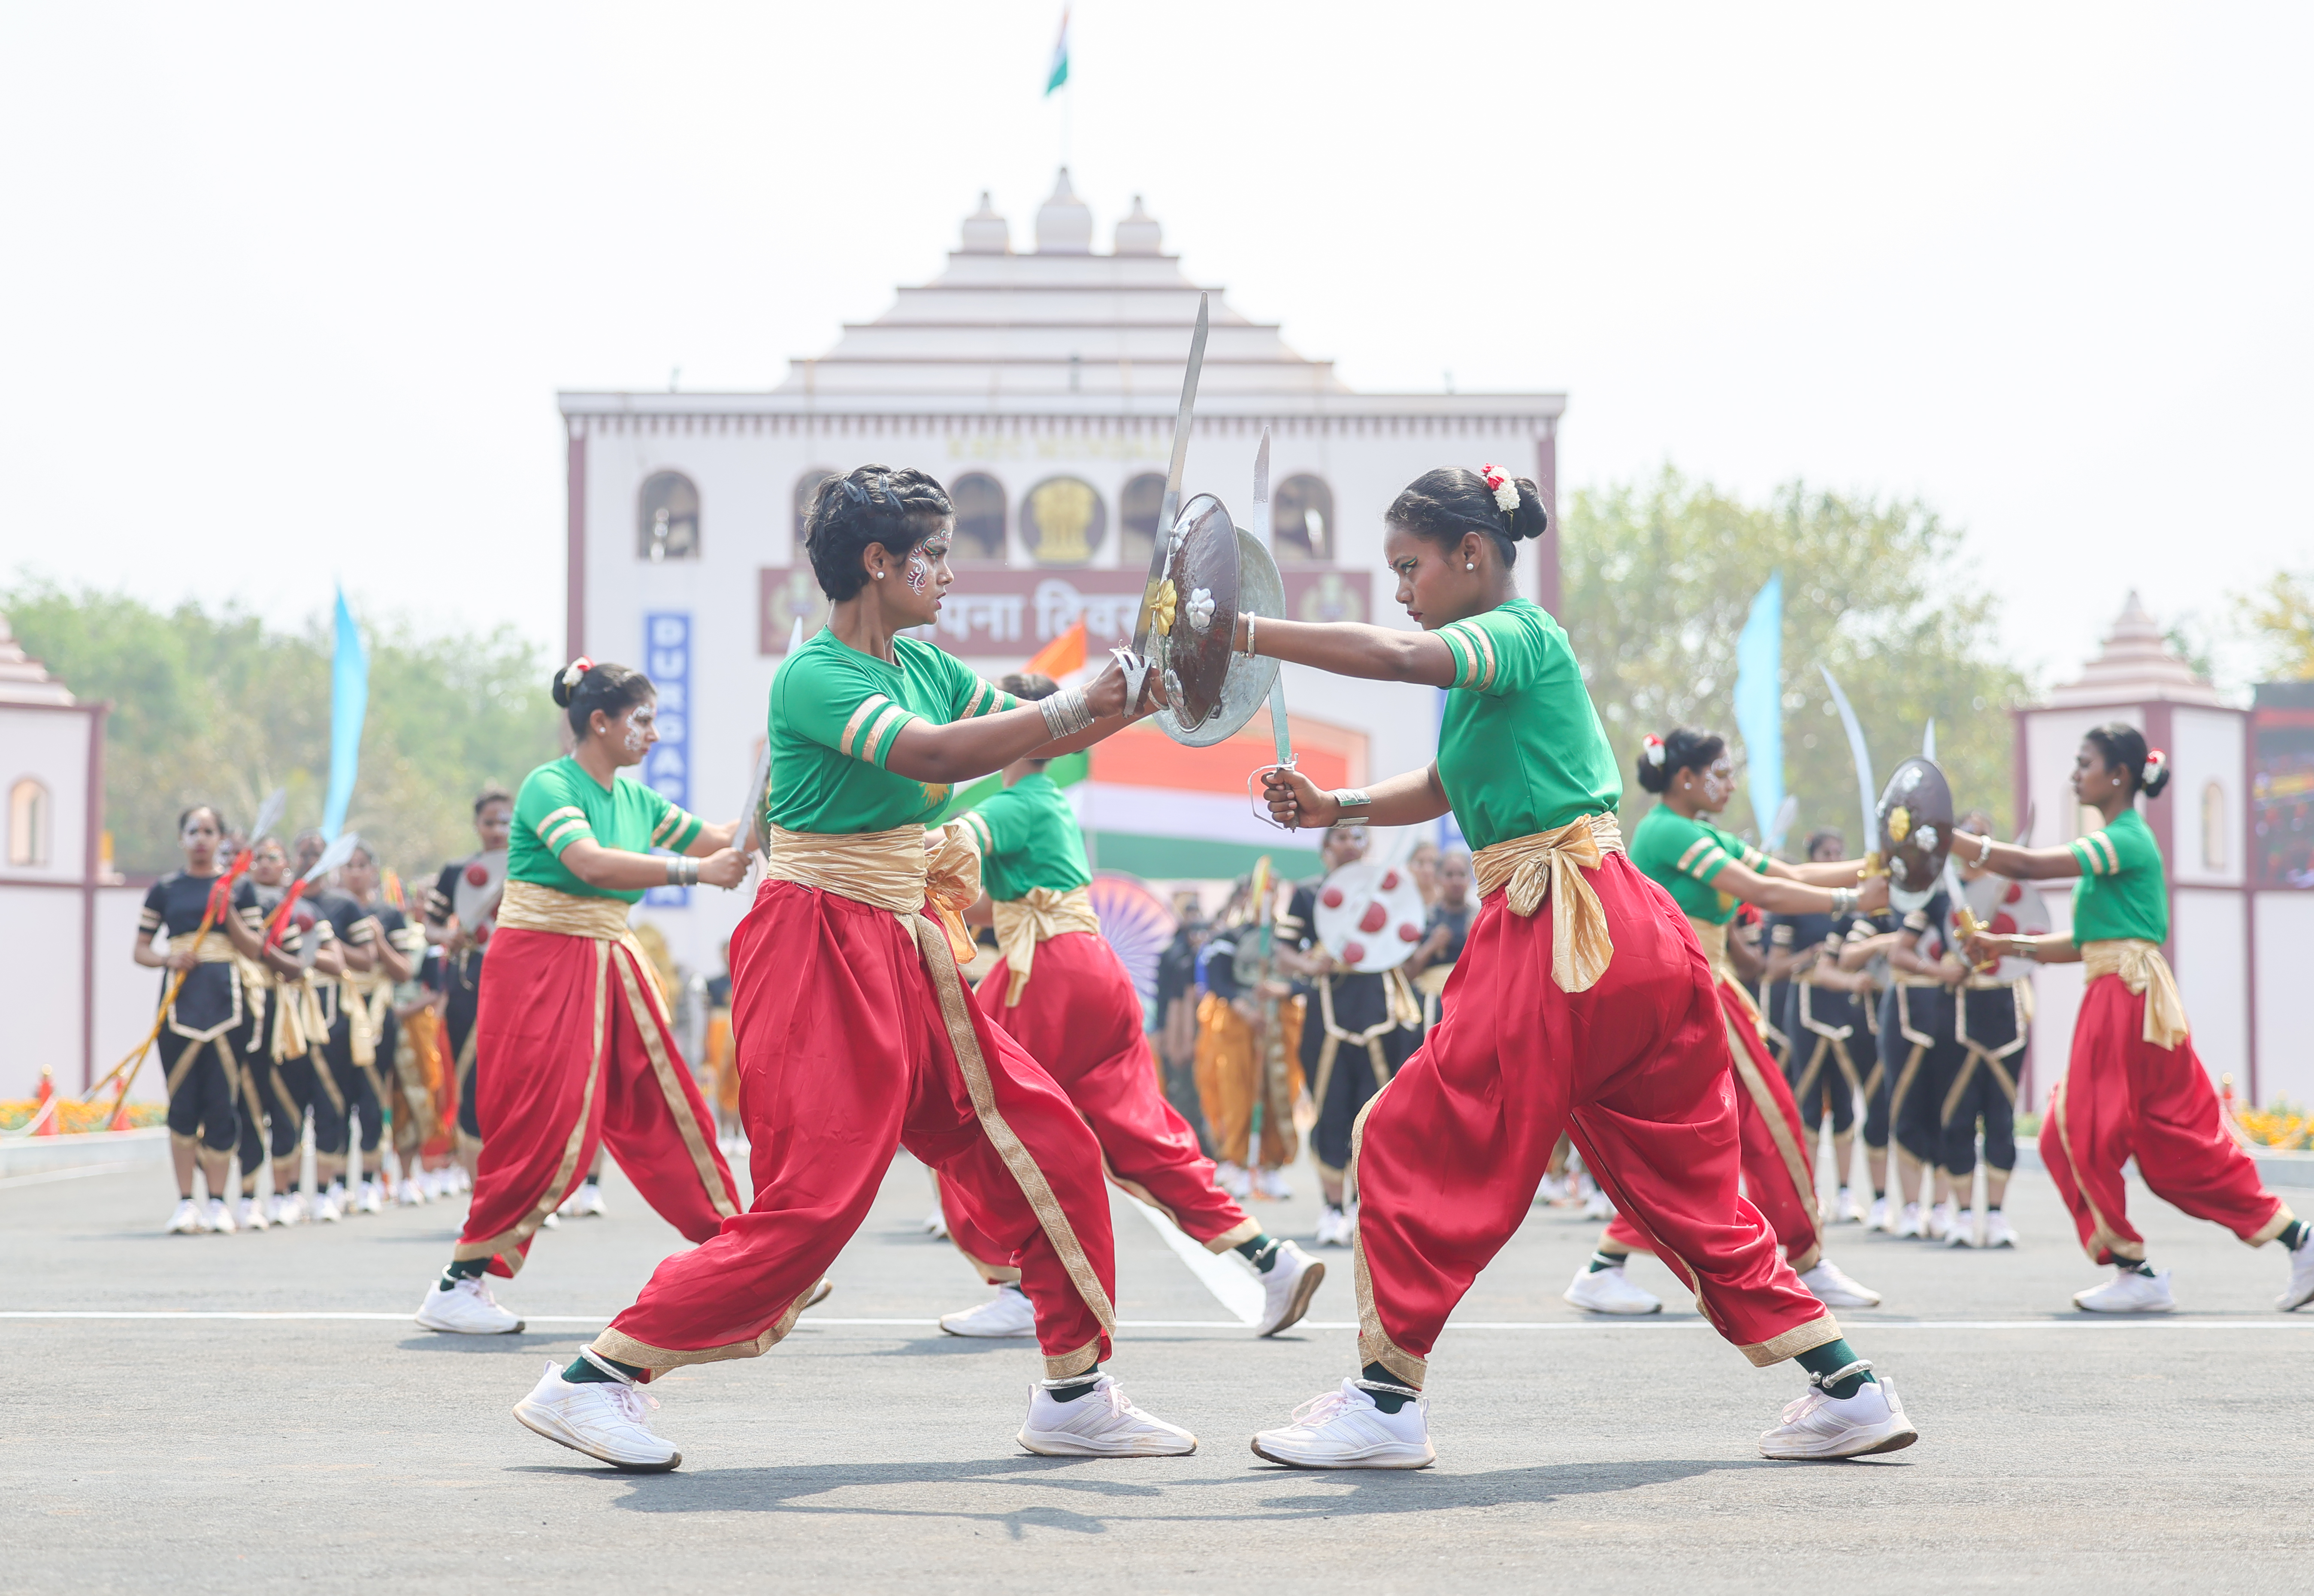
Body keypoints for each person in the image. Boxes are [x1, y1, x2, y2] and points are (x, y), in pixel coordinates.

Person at [505, 466, 1201, 1471]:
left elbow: (1024, 731)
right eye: (933, 556)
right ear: (878, 564)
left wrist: (1142, 693)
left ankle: (1075, 1393)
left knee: (1049, 1145)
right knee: (815, 1202)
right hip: (819, 946)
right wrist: (1083, 699)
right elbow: (931, 756)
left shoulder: (923, 662)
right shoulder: (819, 674)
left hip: (904, 942)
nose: (948, 575)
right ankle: (594, 1379)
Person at [1241, 464, 1917, 1467]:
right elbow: (1443, 782)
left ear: (1473, 556)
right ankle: (1851, 1387)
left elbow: (1393, 654)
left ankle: (1384, 1402)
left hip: (1557, 927)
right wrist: (1336, 805)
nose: (1400, 590)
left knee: (1404, 1137)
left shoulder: (1512, 632)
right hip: (1625, 932)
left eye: (1407, 566)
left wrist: (1241, 634)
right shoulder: (1502, 670)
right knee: (1682, 1181)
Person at [935, 671, 1323, 1341]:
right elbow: (986, 904)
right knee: (1143, 1137)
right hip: (1092, 972)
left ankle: (1020, 1285)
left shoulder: (1018, 803)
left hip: (1045, 978)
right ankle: (1272, 1260)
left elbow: (948, 853)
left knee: (965, 1116)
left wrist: (856, 854)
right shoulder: (1050, 802)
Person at [411, 658, 747, 1339]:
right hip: (543, 966)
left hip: (609, 963)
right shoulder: (548, 786)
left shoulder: (637, 800)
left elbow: (719, 839)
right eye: (643, 721)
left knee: (669, 1103)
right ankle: (461, 1282)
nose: (653, 736)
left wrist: (777, 805)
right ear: (601, 722)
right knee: (551, 1125)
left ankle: (743, 1258)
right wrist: (697, 872)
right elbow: (589, 862)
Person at [1955, 724, 2314, 1312]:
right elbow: (2089, 942)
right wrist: (2005, 946)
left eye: (2084, 763)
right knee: (2171, 1147)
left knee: (2081, 1129)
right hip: (2126, 994)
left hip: (2127, 999)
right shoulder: (2116, 843)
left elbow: (2031, 864)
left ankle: (2135, 1271)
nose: (2076, 774)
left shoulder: (2124, 839)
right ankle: (2298, 1240)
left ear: (2117, 775)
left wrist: (1953, 841)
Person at [1571, 728, 1885, 1317]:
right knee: (1769, 1119)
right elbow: (1761, 890)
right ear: (1684, 778)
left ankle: (1605, 1265)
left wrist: (1877, 865)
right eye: (1721, 772)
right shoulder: (1667, 829)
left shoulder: (1700, 833)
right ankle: (1806, 1262)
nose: (1731, 783)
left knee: (1701, 1142)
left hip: (1700, 990)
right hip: (1688, 991)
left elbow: (1787, 875)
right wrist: (1853, 901)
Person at [133, 806, 283, 1234]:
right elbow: (140, 950)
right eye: (193, 831)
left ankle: (219, 1202)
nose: (201, 838)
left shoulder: (240, 888)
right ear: (182, 838)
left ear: (221, 838)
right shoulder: (165, 890)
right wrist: (168, 959)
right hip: (180, 1003)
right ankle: (186, 1202)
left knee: (222, 1104)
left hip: (227, 1003)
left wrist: (228, 911)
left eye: (209, 831)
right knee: (182, 1105)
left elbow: (256, 949)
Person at [1278, 823, 1423, 1242]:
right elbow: (1285, 950)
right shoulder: (1307, 895)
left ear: (1368, 845)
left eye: (1357, 837)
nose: (1348, 844)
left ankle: (1371, 1209)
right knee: (1330, 1110)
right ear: (1325, 848)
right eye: (1340, 837)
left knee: (1379, 1115)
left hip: (1382, 1013)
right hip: (1327, 1019)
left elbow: (1409, 940)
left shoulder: (1389, 889)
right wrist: (1308, 966)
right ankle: (1332, 1210)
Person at [1939, 808, 2040, 1249]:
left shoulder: (2012, 889)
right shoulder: (1943, 890)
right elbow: (1921, 945)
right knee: (1958, 1117)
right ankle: (1962, 1214)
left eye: (1980, 835)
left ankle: (1996, 1215)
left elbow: (2032, 937)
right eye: (1966, 835)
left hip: (2005, 1011)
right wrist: (1946, 965)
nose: (1972, 841)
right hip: (1959, 1011)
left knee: (2000, 1116)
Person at [1767, 829, 1874, 1225]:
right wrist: (1808, 957)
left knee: (1846, 1102)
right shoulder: (1793, 905)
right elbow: (1773, 967)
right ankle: (1808, 1191)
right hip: (1807, 1008)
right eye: (1826, 853)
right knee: (1809, 1102)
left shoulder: (1855, 907)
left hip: (1847, 1008)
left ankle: (1846, 1193)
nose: (1834, 859)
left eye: (1839, 852)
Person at [1194, 871, 1304, 1202]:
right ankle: (1240, 1162)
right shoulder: (1229, 937)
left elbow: (1301, 976)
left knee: (1278, 1092)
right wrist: (1245, 1009)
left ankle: (1270, 1166)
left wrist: (1279, 994)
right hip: (1240, 1025)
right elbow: (1219, 982)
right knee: (1237, 1090)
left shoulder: (1288, 938)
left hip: (1276, 1023)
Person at [424, 786, 512, 1181]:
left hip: (521, 982)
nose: (497, 830)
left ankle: (523, 1188)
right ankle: (480, 1190)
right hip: (469, 981)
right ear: (477, 825)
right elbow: (430, 927)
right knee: (473, 1078)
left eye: (505, 821)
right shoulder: (456, 872)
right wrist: (449, 938)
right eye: (489, 822)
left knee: (519, 1079)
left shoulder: (535, 866)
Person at [339, 843, 419, 1216]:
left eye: (362, 866)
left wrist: (379, 941)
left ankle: (372, 1181)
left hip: (377, 1011)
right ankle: (338, 1184)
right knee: (337, 1099)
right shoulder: (332, 909)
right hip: (339, 1008)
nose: (355, 873)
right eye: (349, 866)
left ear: (374, 871)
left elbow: (403, 971)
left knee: (373, 1098)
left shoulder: (388, 914)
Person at [1153, 903, 1213, 1149]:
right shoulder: (1176, 957)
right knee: (1182, 1085)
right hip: (1179, 1026)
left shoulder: (1206, 955)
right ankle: (1190, 1142)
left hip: (1204, 1026)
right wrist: (1175, 1037)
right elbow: (1172, 1000)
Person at [1408, 845, 1474, 1031]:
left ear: (1470, 879)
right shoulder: (1422, 920)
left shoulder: (1481, 919)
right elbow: (1407, 975)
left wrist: (1477, 943)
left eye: (1461, 875)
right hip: (1430, 1007)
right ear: (1438, 878)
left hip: (1471, 1004)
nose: (1456, 881)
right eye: (1449, 875)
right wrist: (1431, 946)